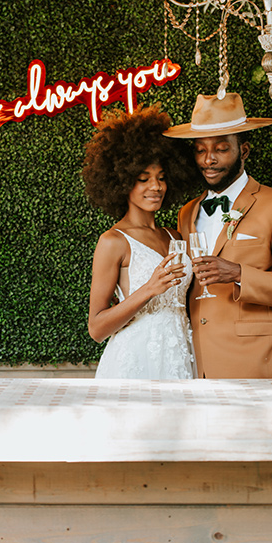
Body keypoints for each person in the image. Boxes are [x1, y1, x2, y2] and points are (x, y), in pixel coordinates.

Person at [163, 92, 272, 379]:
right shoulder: (187, 212)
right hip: (193, 361)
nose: (208, 160)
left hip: (254, 361)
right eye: (200, 150)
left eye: (221, 149)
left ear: (243, 150)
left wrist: (237, 272)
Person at [83, 104, 198, 380]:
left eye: (161, 178)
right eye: (143, 179)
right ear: (122, 182)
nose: (155, 187)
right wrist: (148, 289)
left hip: (181, 357)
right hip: (135, 362)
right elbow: (97, 328)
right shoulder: (113, 241)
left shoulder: (175, 236)